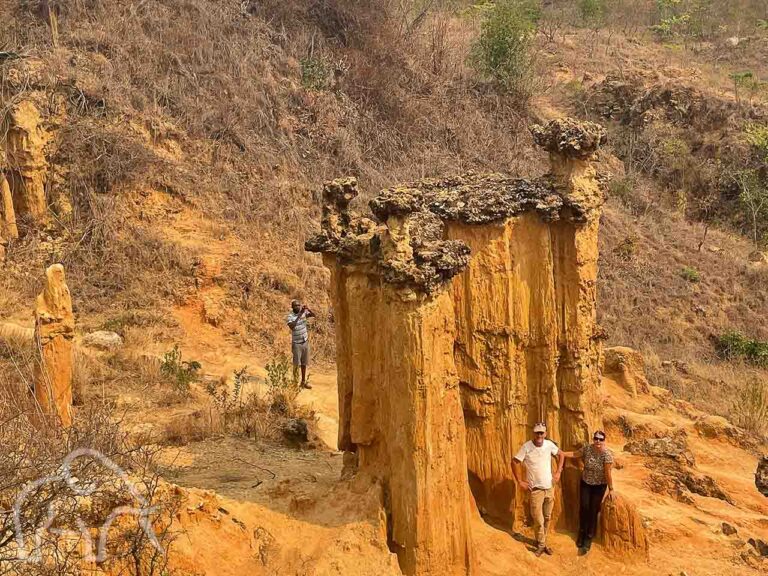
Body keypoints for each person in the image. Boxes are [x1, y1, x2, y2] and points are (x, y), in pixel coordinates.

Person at [557, 430, 615, 554]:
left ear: (604, 441)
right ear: (593, 439)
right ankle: (581, 532)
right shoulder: (588, 449)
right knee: (584, 507)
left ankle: (589, 536)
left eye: (600, 439)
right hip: (586, 483)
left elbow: (608, 473)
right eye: (596, 438)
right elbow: (575, 454)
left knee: (593, 510)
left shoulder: (607, 455)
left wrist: (611, 489)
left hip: (599, 486)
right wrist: (561, 453)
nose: (597, 441)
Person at [512, 422, 564, 557]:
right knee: (538, 520)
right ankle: (541, 545)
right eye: (537, 433)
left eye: (542, 433)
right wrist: (520, 481)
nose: (539, 435)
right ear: (533, 433)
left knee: (547, 518)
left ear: (545, 434)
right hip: (535, 490)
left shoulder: (549, 445)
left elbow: (561, 454)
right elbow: (515, 461)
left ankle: (542, 542)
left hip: (549, 488)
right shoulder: (527, 447)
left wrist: (558, 471)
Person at [286, 299, 315, 389]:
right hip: (297, 343)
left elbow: (314, 315)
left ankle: (303, 382)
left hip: (305, 341)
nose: (298, 307)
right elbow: (292, 326)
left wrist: (308, 309)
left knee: (304, 363)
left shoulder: (303, 313)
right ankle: (295, 383)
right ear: (292, 307)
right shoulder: (290, 316)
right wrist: (300, 314)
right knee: (296, 364)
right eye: (296, 306)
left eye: (299, 305)